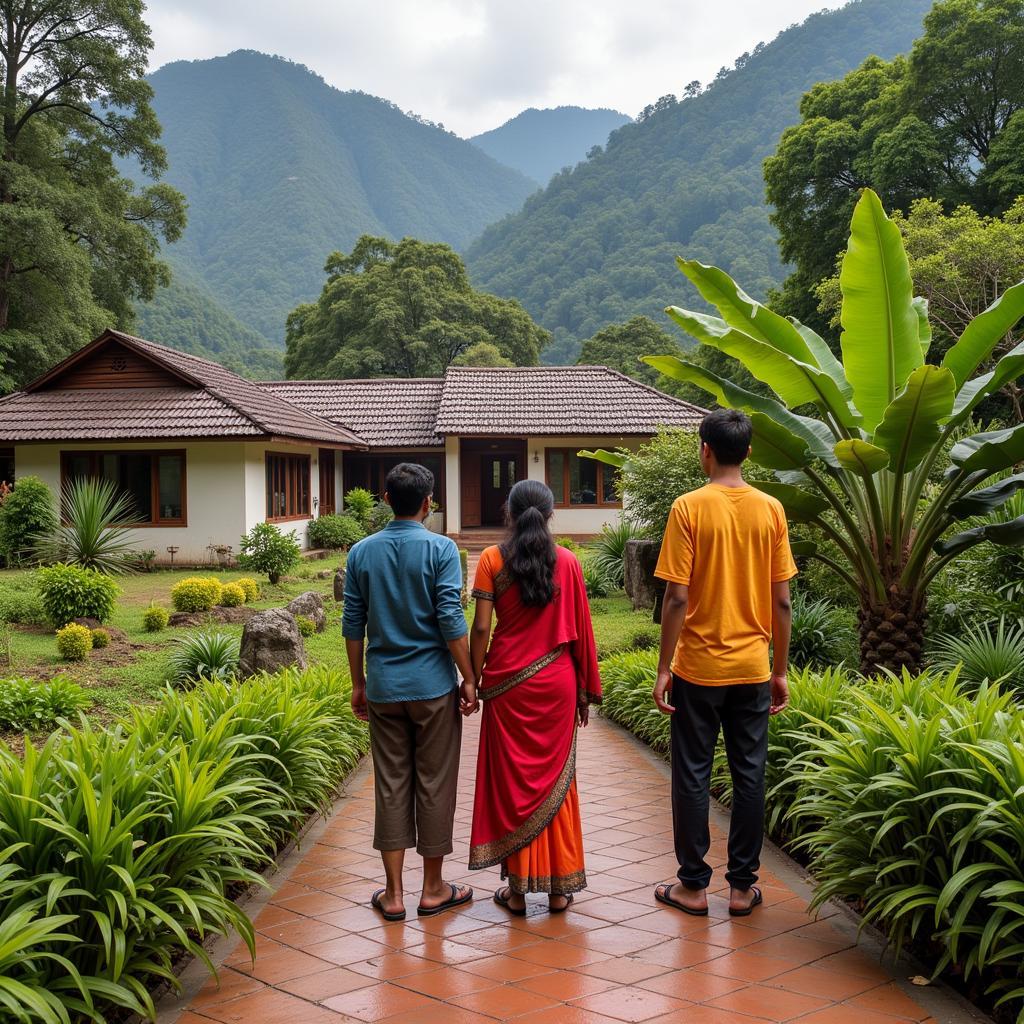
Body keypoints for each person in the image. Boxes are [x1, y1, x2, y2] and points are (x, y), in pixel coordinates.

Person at [652, 409, 795, 918]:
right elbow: (782, 602)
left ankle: (691, 887)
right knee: (749, 774)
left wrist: (664, 666)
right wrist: (779, 670)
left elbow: (675, 597)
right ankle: (741, 888)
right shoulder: (771, 510)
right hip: (753, 668)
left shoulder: (689, 507)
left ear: (704, 450)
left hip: (698, 668)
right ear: (748, 452)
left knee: (691, 774)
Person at [343, 462, 477, 922]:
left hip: (383, 687)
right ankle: (434, 888)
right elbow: (450, 619)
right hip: (433, 686)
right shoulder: (442, 549)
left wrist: (358, 683)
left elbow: (352, 623)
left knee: (391, 783)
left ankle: (394, 894)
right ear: (428, 502)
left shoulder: (360, 552)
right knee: (435, 782)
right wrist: (469, 677)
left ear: (385, 498)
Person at [467, 479, 602, 914]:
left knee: (512, 787)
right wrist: (584, 691)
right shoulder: (568, 561)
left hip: (508, 688)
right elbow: (582, 629)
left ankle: (519, 892)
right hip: (557, 684)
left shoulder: (491, 559)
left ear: (509, 511)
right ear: (549, 514)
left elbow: (483, 628)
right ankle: (560, 890)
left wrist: (472, 676)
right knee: (559, 785)